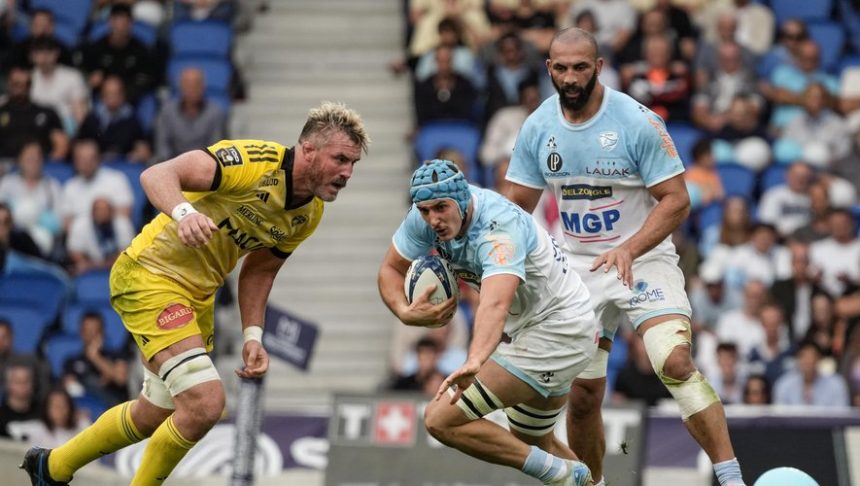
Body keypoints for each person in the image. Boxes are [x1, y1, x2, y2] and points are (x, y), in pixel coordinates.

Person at [20, 101, 370, 485]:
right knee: (206, 404)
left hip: (196, 297)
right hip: (151, 275)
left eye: (353, 163)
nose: (347, 172)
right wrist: (184, 214)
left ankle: (52, 467)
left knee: (154, 413)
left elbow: (260, 270)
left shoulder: (309, 214)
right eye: (340, 159)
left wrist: (253, 334)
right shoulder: (252, 163)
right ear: (308, 149)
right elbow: (157, 174)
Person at [504, 28, 746, 486]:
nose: (571, 77)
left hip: (644, 257)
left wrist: (630, 248)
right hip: (576, 268)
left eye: (580, 67)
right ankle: (592, 484)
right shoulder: (538, 126)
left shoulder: (638, 122)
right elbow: (515, 209)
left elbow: (677, 200)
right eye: (561, 68)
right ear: (548, 69)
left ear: (598, 68)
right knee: (583, 396)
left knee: (674, 362)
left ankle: (732, 478)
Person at [378, 159, 597, 486]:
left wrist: (475, 359)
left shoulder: (497, 228)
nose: (433, 220)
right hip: (541, 328)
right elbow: (390, 270)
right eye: (425, 211)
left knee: (440, 419)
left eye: (441, 208)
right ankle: (585, 480)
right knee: (533, 442)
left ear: (463, 198)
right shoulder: (424, 218)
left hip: (559, 329)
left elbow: (495, 303)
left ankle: (565, 475)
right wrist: (404, 311)